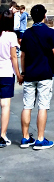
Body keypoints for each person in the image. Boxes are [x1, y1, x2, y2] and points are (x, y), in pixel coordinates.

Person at [20, 4, 54, 150]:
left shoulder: (26, 34)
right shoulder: (50, 32)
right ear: (44, 16)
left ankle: (26, 138)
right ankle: (40, 139)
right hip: (44, 74)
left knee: (27, 106)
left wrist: (23, 72)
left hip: (30, 74)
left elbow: (23, 56)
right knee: (43, 106)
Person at [0, 9, 23, 148]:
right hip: (7, 73)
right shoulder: (11, 36)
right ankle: (2, 135)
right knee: (5, 105)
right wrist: (19, 74)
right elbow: (14, 57)